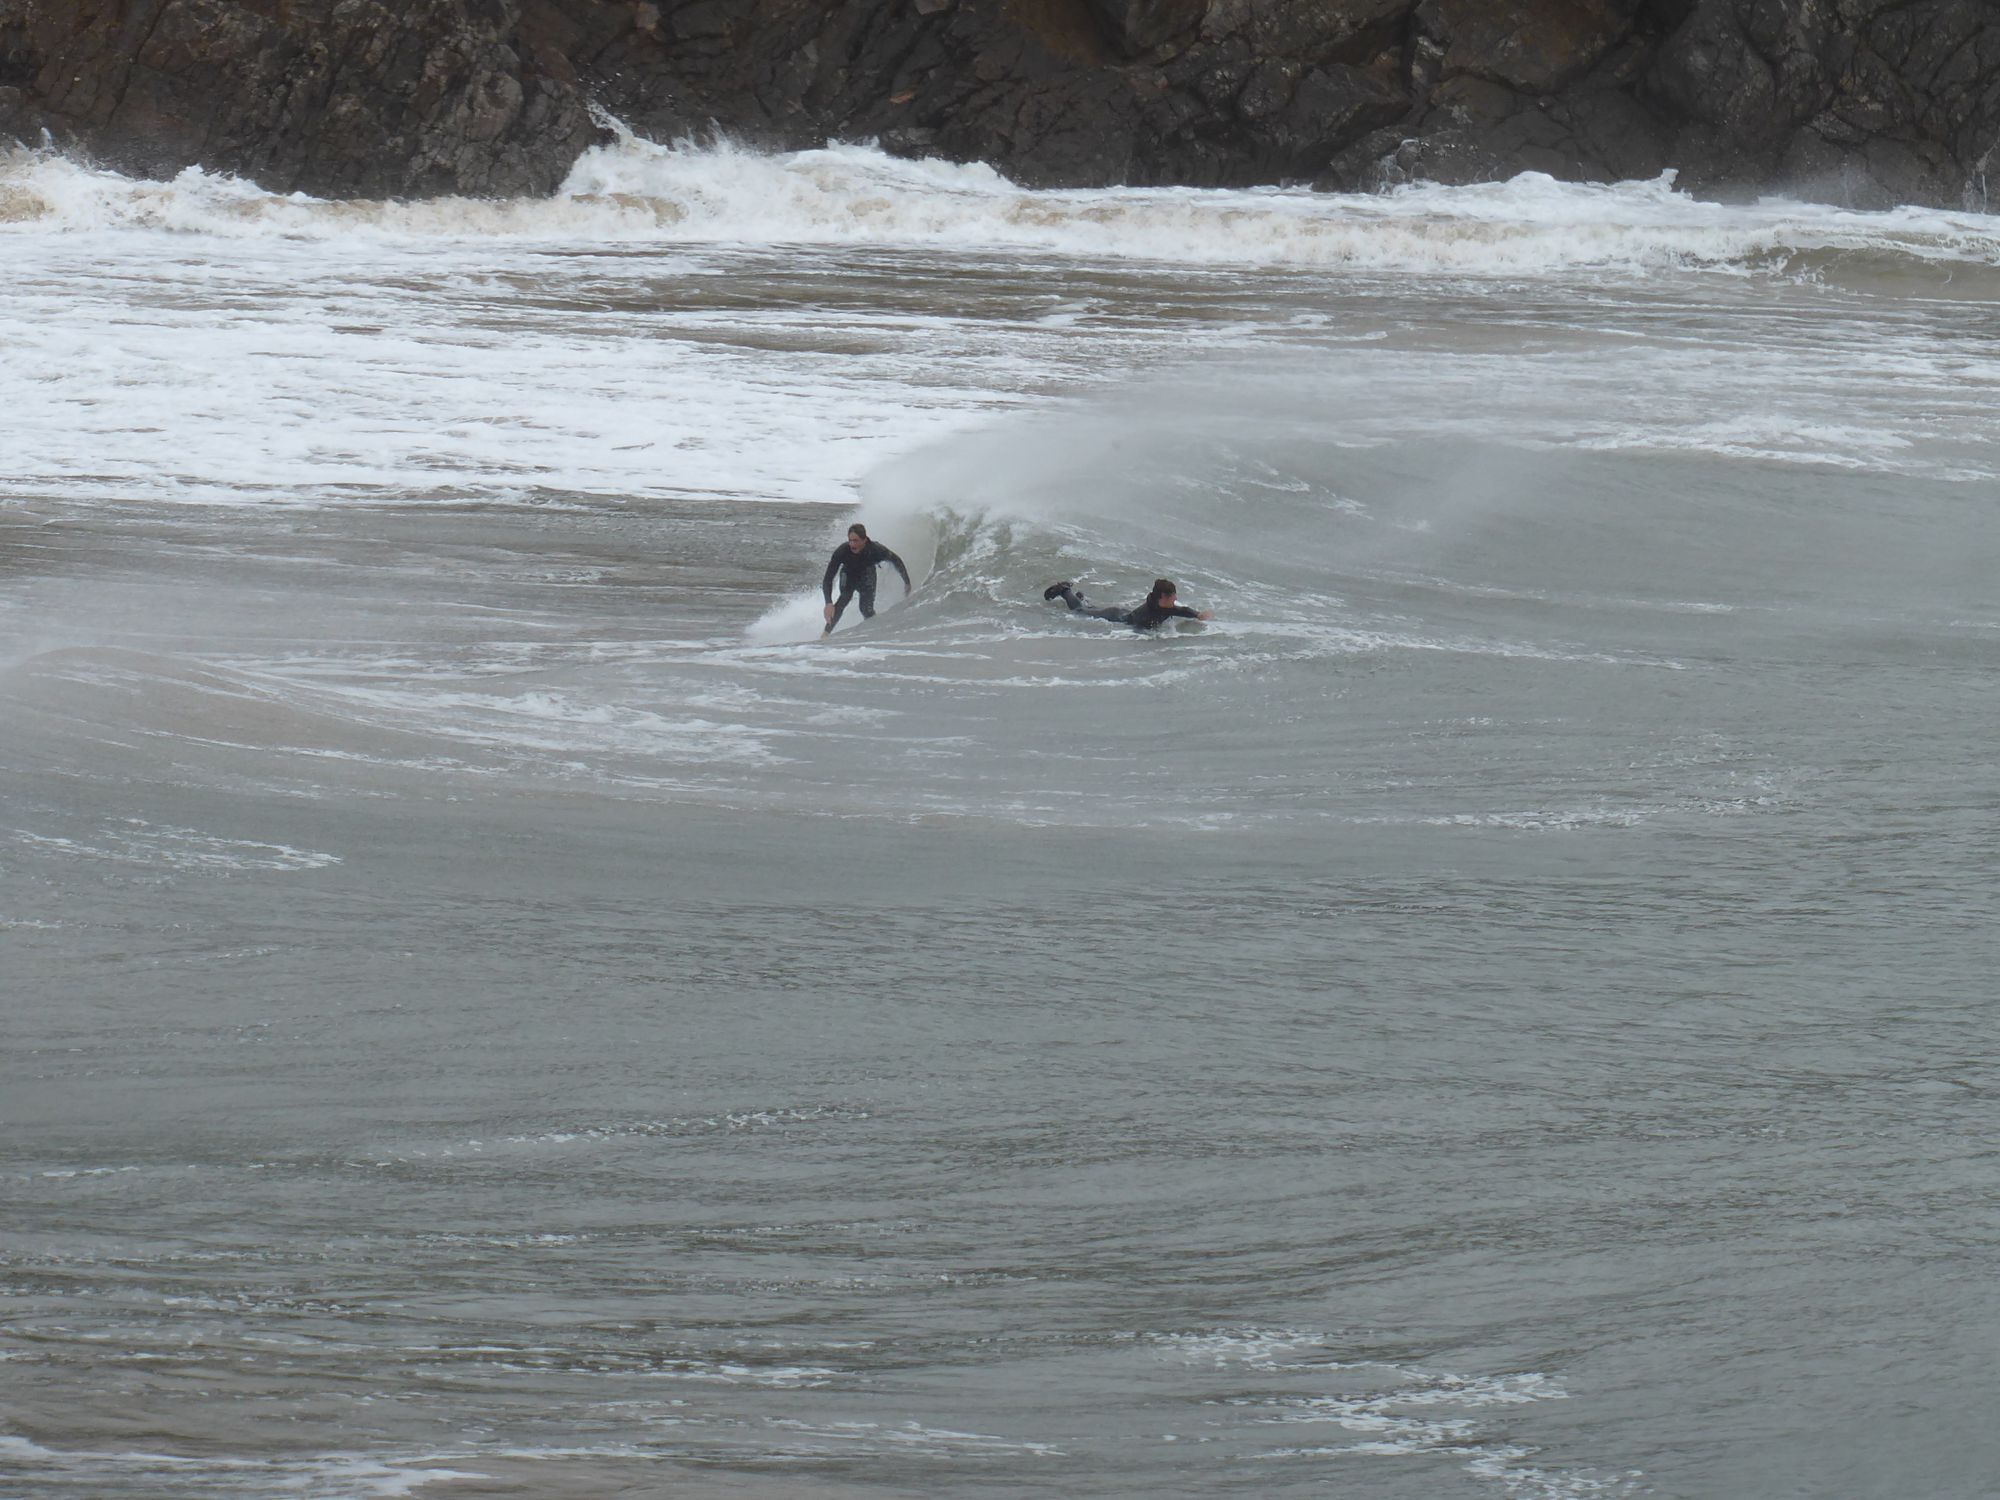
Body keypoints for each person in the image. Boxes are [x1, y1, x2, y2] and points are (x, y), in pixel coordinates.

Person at [822, 523, 913, 635]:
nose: (852, 544)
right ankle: (825, 635)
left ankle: (875, 633)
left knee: (866, 609)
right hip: (848, 575)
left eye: (856, 540)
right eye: (850, 540)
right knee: (843, 600)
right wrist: (828, 602)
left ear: (864, 540)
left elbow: (896, 560)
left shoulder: (876, 550)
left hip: (867, 576)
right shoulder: (842, 551)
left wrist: (907, 582)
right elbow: (828, 578)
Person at [1042, 578, 1213, 630]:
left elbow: (1182, 610)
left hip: (1121, 612)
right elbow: (1139, 630)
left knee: (1089, 608)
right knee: (1080, 611)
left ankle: (1081, 597)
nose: (1175, 600)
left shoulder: (1163, 606)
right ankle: (1064, 590)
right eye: (1172, 597)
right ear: (1162, 597)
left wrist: (1198, 614)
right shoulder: (1151, 610)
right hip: (1116, 617)